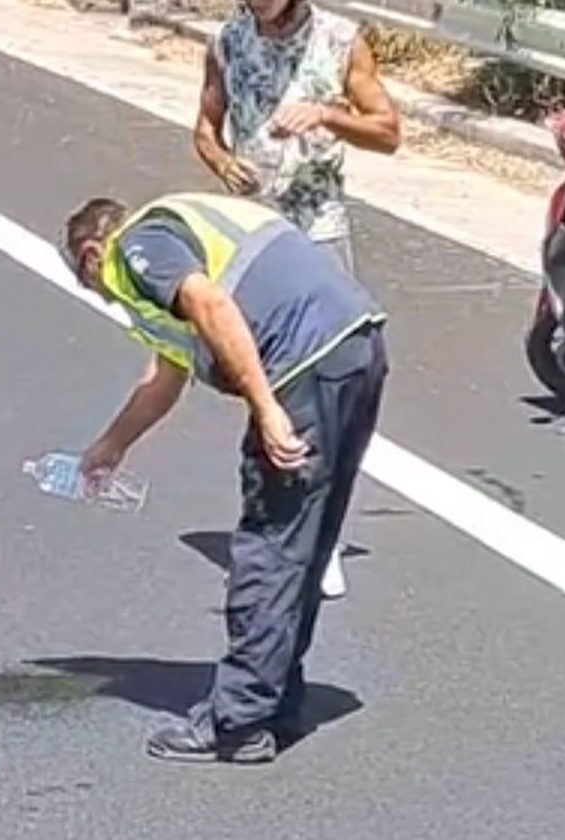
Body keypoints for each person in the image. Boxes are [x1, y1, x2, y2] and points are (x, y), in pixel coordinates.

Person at [63, 191, 388, 763]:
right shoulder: (189, 229)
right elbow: (167, 373)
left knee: (269, 543)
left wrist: (266, 408)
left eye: (97, 290)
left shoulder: (137, 246)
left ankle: (237, 722)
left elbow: (212, 307)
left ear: (92, 255)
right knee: (305, 541)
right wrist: (111, 446)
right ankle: (276, 699)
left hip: (302, 362)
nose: (114, 302)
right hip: (356, 347)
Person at [194, 0, 400, 597]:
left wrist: (329, 117)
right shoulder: (227, 40)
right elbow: (205, 129)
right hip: (254, 232)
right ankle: (277, 526)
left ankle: (324, 537)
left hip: (318, 225)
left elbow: (388, 131)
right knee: (264, 385)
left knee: (331, 380)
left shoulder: (340, 40)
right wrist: (222, 161)